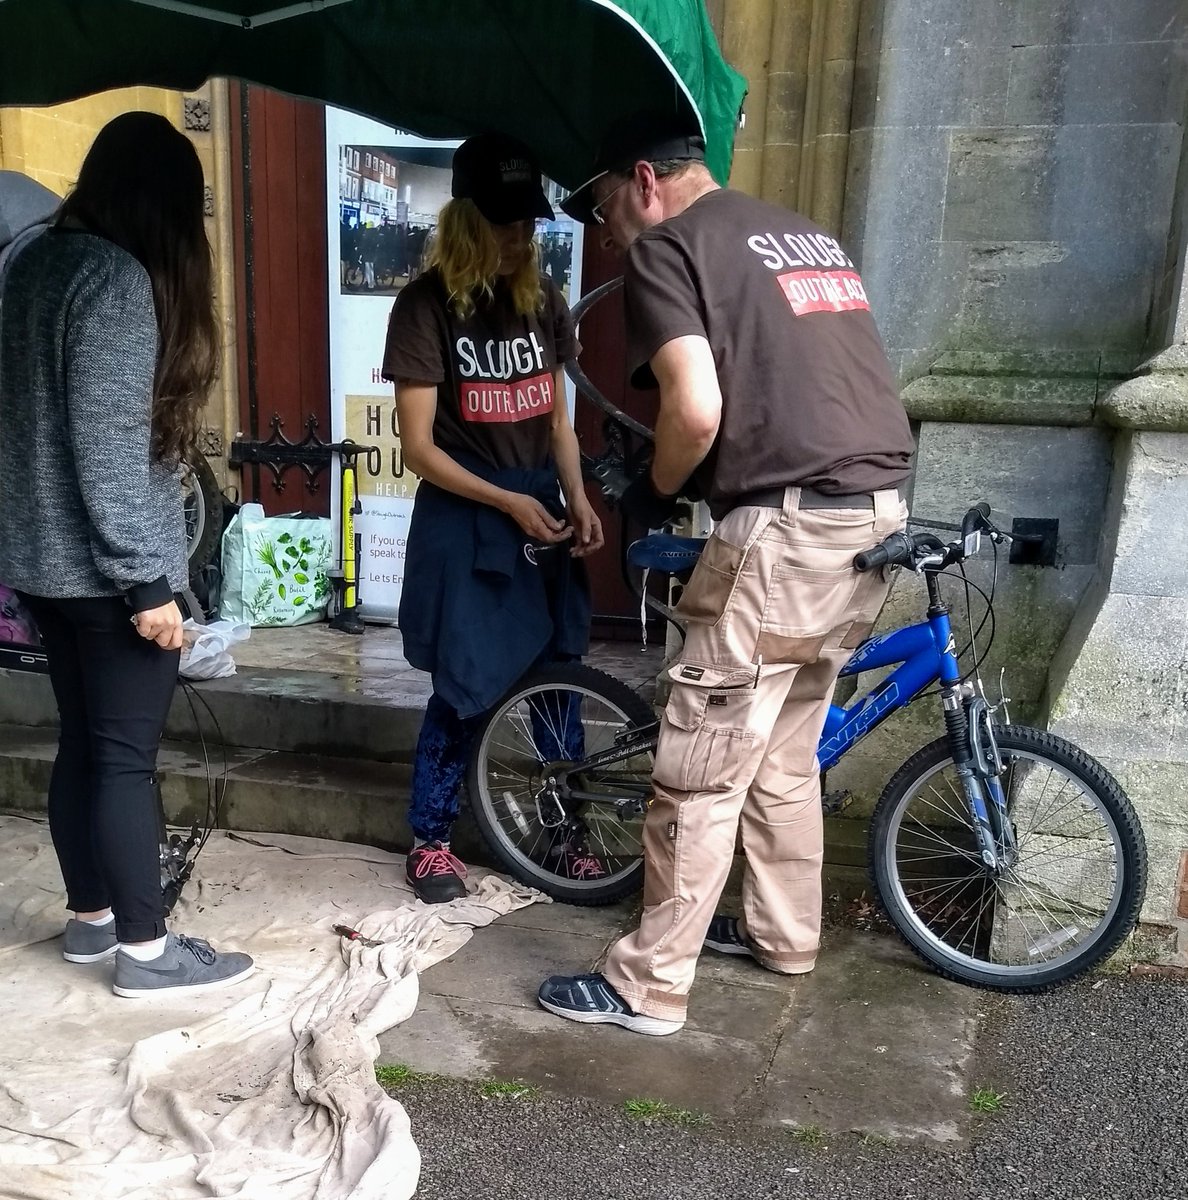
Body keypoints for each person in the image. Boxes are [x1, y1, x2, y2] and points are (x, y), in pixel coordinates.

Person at [538, 111, 914, 1035]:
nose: (607, 232)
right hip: (874, 518)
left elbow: (696, 412)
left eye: (602, 209)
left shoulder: (669, 249)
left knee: (700, 764)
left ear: (644, 180)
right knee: (784, 752)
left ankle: (647, 985)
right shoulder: (804, 236)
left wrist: (653, 480)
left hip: (783, 529)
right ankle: (785, 937)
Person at [0, 112, 255, 997]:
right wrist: (150, 584)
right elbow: (108, 443)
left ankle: (91, 925)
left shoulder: (32, 261)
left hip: (38, 563)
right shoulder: (112, 279)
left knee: (84, 745)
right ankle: (146, 954)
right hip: (109, 575)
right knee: (122, 759)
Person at [381, 132, 604, 904]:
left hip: (537, 500)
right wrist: (508, 500)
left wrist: (575, 497)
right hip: (466, 512)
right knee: (465, 680)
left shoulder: (544, 303)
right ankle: (432, 838)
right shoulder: (423, 308)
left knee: (557, 674)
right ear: (466, 221)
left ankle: (563, 832)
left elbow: (558, 423)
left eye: (529, 224)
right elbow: (417, 448)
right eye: (505, 223)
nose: (521, 237)